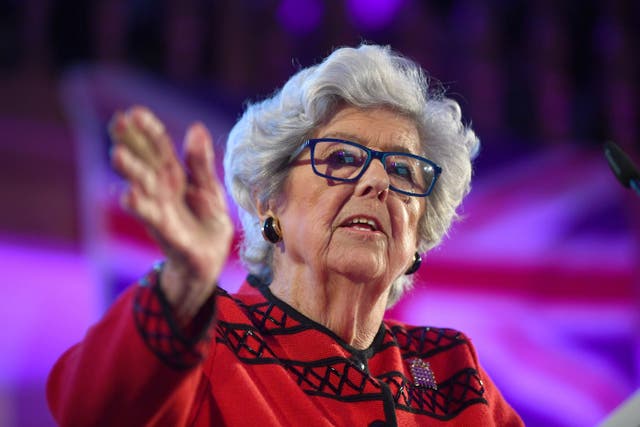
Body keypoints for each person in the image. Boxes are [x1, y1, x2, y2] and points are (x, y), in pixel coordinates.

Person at [47, 44, 523, 426]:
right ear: (267, 199)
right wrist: (181, 287)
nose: (378, 182)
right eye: (340, 158)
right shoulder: (206, 341)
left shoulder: (451, 368)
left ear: (420, 228)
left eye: (402, 169)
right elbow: (88, 410)